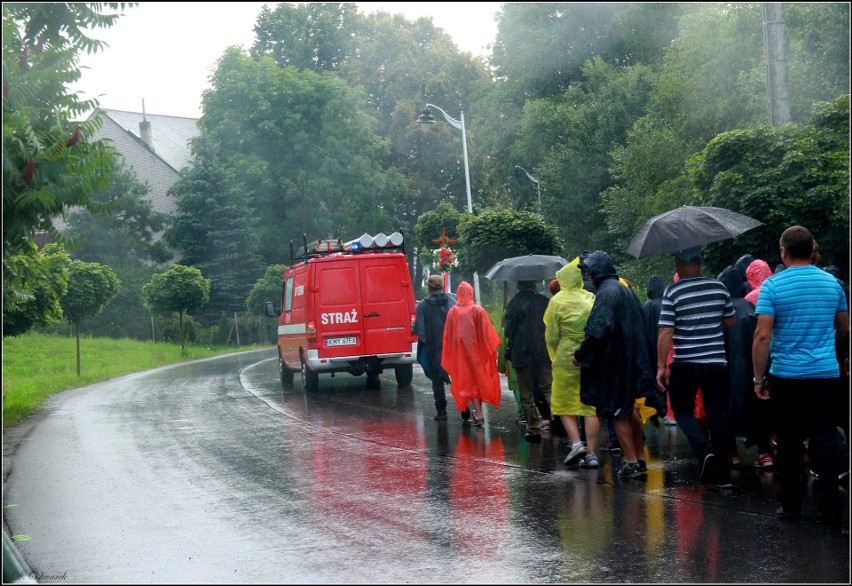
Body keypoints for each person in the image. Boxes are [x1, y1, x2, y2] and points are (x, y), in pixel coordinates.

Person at [753, 226, 849, 526]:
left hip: (786, 376)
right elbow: (845, 327)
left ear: (784, 251)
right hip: (824, 374)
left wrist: (758, 378)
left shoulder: (773, 287)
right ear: (811, 249)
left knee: (789, 440)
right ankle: (830, 507)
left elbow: (762, 335)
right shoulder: (833, 284)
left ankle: (791, 505)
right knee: (825, 438)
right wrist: (843, 358)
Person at [656, 246, 737, 490]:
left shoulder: (673, 291)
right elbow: (731, 322)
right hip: (715, 363)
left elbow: (666, 330)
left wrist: (661, 366)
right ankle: (722, 476)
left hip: (685, 363)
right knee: (718, 417)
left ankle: (703, 451)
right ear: (700, 263)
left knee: (682, 412)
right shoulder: (719, 287)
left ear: (680, 264)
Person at [572, 250, 657, 479]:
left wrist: (580, 355)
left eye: (589, 271)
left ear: (598, 271)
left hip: (617, 361)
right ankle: (639, 459)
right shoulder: (623, 289)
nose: (587, 276)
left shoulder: (607, 292)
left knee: (618, 412)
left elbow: (598, 329)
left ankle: (630, 462)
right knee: (630, 411)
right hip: (633, 358)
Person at [544, 258, 599, 466]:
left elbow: (551, 335)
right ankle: (591, 454)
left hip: (566, 356)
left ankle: (576, 444)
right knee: (589, 405)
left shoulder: (556, 301)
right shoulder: (590, 297)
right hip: (589, 355)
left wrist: (555, 354)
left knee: (563, 401)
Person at [719, 265, 773, 469]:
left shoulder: (721, 311)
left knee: (724, 411)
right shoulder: (751, 308)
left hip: (726, 370)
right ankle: (764, 452)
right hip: (751, 368)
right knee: (759, 410)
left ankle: (732, 452)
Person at [441, 281, 503, 426]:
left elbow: (448, 336)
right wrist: (489, 350)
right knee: (478, 380)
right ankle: (478, 412)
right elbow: (486, 333)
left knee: (468, 381)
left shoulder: (453, 312)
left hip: (460, 356)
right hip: (477, 354)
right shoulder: (478, 310)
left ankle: (478, 413)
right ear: (471, 293)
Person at [504, 280, 553, 443]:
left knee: (526, 393)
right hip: (543, 351)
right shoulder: (545, 301)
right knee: (548, 388)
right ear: (534, 285)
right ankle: (561, 421)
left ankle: (533, 428)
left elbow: (509, 332)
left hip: (522, 354)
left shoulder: (513, 304)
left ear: (518, 286)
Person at [414, 274, 467, 422]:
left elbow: (420, 330)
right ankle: (464, 410)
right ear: (442, 286)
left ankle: (442, 411)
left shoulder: (423, 306)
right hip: (455, 347)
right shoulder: (453, 301)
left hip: (434, 348)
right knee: (458, 378)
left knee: (437, 380)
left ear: (429, 288)